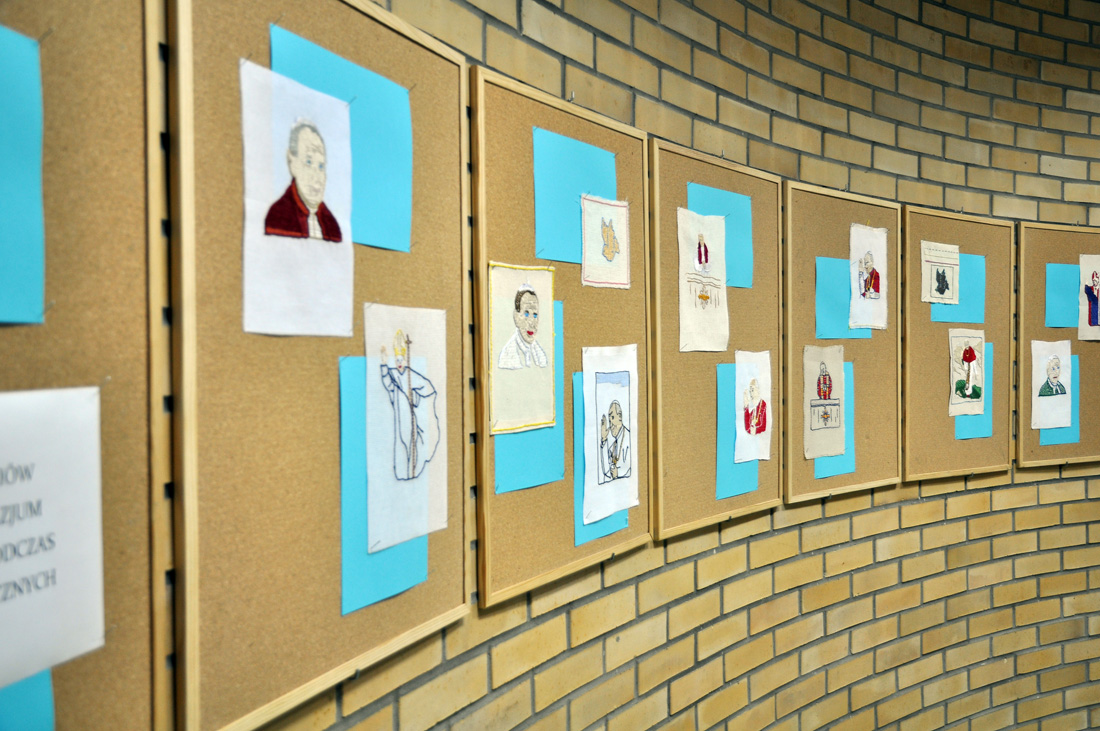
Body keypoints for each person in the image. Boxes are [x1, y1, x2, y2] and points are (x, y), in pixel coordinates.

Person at [265, 120, 343, 242]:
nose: (316, 177)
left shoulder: (332, 225)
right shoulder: (278, 217)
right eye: (308, 162)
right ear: (292, 162)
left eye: (321, 166)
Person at [379, 330, 440, 480]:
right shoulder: (393, 374)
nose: (399, 363)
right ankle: (402, 474)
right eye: (397, 360)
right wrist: (384, 364)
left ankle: (412, 472)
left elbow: (428, 389)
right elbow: (388, 384)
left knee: (412, 446)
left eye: (401, 360)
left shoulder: (412, 375)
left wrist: (416, 398)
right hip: (400, 419)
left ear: (406, 361)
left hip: (412, 419)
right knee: (401, 445)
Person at [497, 285, 548, 369]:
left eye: (535, 315)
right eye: (526, 314)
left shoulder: (541, 355)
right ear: (516, 317)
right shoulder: (507, 357)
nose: (532, 322)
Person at [599, 401, 631, 483]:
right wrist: (603, 440)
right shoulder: (610, 438)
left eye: (612, 417)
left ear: (620, 417)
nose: (611, 423)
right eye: (609, 418)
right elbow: (605, 471)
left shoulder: (628, 437)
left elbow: (631, 467)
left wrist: (618, 473)